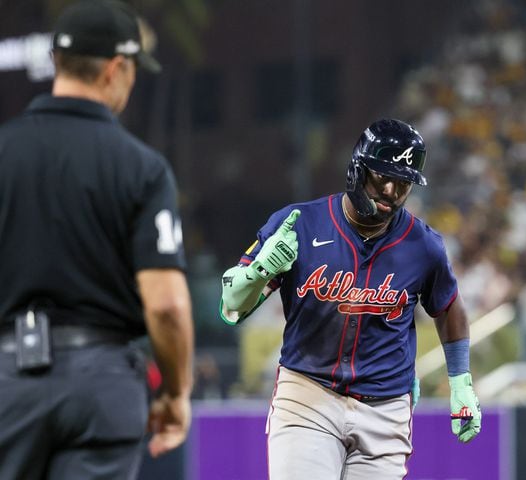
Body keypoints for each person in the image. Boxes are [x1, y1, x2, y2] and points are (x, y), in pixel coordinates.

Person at [221, 119, 481, 479]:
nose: (391, 190)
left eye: (403, 183)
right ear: (358, 169)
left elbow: (448, 306)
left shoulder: (424, 246)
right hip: (308, 395)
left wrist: (460, 382)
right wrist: (259, 271)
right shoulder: (298, 224)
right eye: (382, 177)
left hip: (386, 408)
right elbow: (231, 308)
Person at [0, 1, 194, 479]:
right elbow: (166, 305)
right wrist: (175, 392)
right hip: (101, 381)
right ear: (115, 68)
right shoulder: (142, 169)